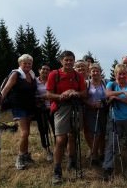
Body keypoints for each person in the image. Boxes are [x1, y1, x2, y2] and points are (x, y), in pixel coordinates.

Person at [46, 50, 87, 185]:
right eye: (66, 60)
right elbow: (49, 94)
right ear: (61, 61)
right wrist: (61, 96)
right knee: (61, 138)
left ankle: (72, 161)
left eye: (71, 60)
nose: (69, 62)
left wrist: (74, 93)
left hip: (75, 107)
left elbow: (84, 92)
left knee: (73, 135)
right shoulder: (54, 74)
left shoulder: (78, 76)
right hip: (60, 108)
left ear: (74, 61)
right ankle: (57, 170)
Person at [103, 64, 127, 180]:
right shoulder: (111, 84)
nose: (122, 76)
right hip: (115, 118)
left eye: (124, 73)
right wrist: (122, 93)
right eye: (120, 73)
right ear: (115, 75)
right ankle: (108, 167)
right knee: (112, 143)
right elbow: (107, 94)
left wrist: (117, 98)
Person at [0, 54, 37, 170]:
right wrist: (0, 99)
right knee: (24, 133)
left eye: (29, 63)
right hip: (18, 106)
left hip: (30, 106)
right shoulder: (16, 74)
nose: (27, 65)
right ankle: (20, 157)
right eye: (25, 63)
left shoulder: (32, 74)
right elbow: (7, 88)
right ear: (20, 64)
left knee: (27, 133)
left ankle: (25, 155)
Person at [83, 63, 108, 166]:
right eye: (93, 71)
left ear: (100, 72)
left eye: (97, 71)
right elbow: (83, 98)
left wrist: (105, 102)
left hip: (103, 111)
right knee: (95, 133)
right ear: (89, 72)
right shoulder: (86, 83)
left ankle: (102, 153)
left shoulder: (105, 83)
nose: (95, 73)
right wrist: (91, 104)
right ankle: (94, 155)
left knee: (102, 133)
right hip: (90, 111)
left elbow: (109, 95)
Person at [35, 63, 55, 162]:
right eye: (43, 69)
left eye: (48, 69)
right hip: (40, 109)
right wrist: (39, 98)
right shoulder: (34, 81)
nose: (45, 71)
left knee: (57, 130)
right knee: (43, 130)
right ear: (39, 70)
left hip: (53, 108)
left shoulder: (52, 80)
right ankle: (48, 151)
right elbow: (31, 94)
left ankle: (59, 149)